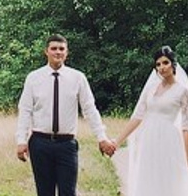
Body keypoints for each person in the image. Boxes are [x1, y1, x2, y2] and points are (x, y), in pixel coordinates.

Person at [110, 45, 188, 196]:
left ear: (173, 64)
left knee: (170, 183)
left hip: (169, 141)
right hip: (148, 141)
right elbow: (137, 117)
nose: (162, 67)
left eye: (165, 63)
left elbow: (186, 126)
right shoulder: (150, 89)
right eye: (158, 64)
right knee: (149, 180)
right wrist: (117, 142)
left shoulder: (182, 92)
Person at [16, 34, 117, 196]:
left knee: (68, 192)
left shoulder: (77, 78)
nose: (58, 52)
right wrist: (21, 140)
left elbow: (89, 109)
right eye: (54, 49)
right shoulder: (34, 78)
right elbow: (25, 110)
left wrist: (102, 137)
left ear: (67, 53)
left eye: (61, 49)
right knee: (44, 192)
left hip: (66, 145)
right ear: (46, 52)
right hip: (40, 143)